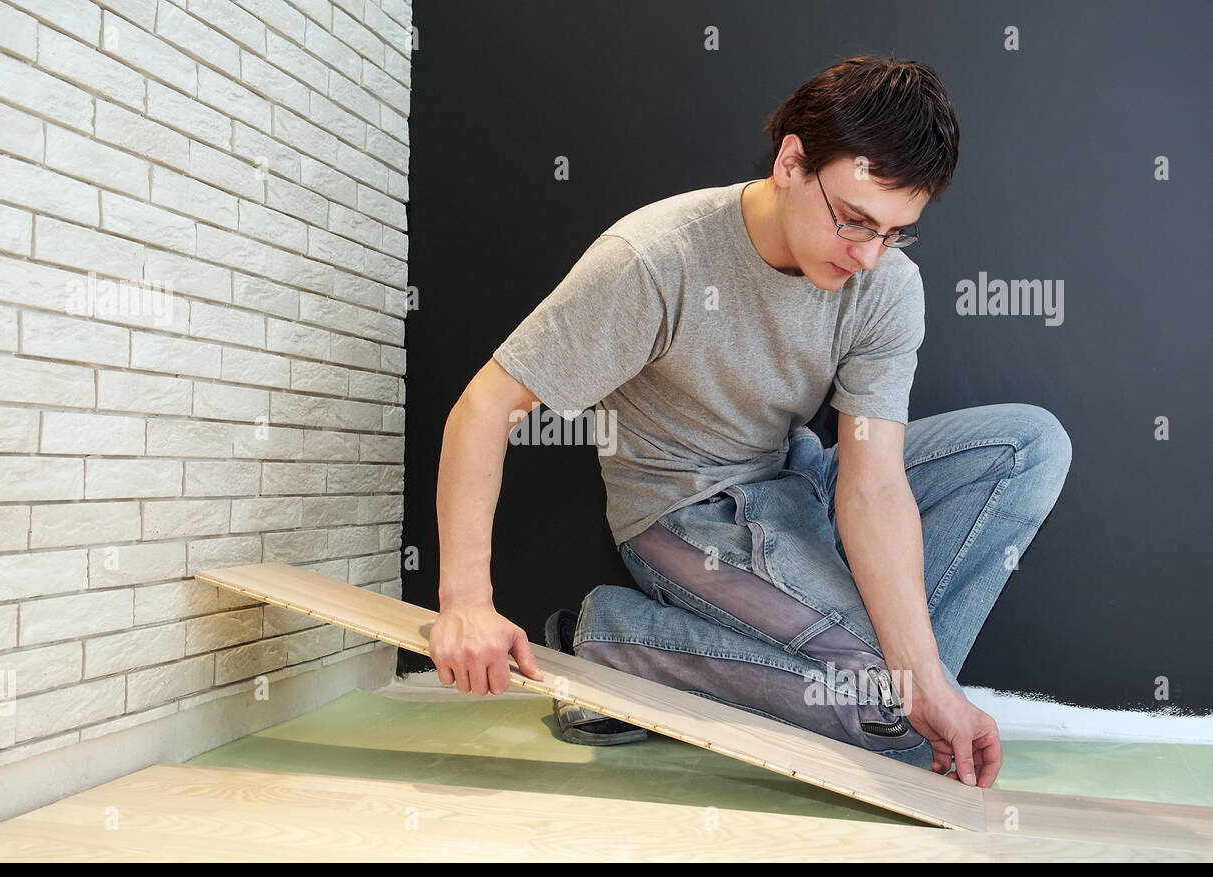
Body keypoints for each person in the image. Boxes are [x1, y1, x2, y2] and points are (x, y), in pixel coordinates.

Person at [429, 55, 1071, 789]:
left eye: (896, 232)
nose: (869, 257)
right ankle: (610, 636)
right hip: (686, 513)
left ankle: (900, 694)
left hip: (799, 482)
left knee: (1030, 445)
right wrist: (465, 603)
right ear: (792, 162)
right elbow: (485, 407)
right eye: (855, 221)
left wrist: (920, 676)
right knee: (886, 711)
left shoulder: (885, 284)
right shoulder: (655, 258)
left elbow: (873, 483)